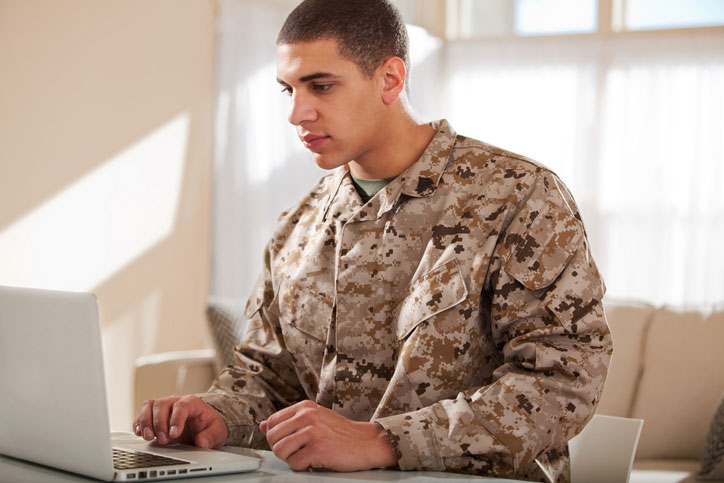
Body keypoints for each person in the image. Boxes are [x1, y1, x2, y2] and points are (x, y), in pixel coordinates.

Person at [133, 1, 612, 481]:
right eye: (289, 89)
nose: (298, 112)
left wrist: (383, 440)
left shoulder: (517, 195)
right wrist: (217, 415)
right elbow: (269, 381)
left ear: (390, 79)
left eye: (321, 85)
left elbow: (564, 379)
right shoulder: (296, 227)